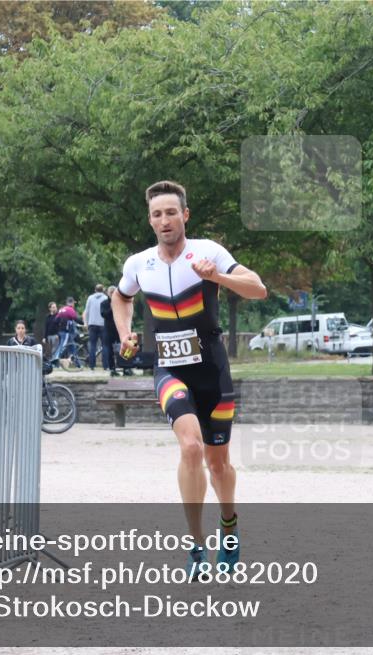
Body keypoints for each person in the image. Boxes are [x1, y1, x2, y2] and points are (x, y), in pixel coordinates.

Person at [112, 180, 266, 577]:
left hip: (213, 371)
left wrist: (219, 276)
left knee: (219, 466)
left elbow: (258, 289)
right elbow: (121, 296)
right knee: (190, 449)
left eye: (170, 212)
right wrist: (124, 331)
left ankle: (228, 526)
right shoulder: (138, 264)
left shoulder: (208, 252)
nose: (164, 220)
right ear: (150, 220)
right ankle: (196, 544)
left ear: (185, 215)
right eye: (156, 214)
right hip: (170, 369)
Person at [83, 285, 109, 371]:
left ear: (95, 290)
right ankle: (105, 365)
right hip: (103, 324)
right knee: (105, 345)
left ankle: (92, 365)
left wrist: (86, 323)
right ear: (103, 290)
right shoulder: (106, 298)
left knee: (92, 345)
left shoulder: (90, 298)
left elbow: (86, 311)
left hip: (92, 324)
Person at [52, 298, 83, 368]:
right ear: (71, 303)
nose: (74, 305)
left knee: (73, 347)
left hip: (62, 331)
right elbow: (76, 318)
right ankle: (54, 361)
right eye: (74, 303)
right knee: (63, 346)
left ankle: (78, 364)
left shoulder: (62, 309)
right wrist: (84, 323)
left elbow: (55, 320)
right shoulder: (70, 309)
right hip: (66, 332)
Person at [100, 286, 119, 376]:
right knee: (109, 349)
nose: (112, 294)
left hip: (119, 328)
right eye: (110, 292)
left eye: (113, 292)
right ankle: (112, 368)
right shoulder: (104, 303)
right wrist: (112, 307)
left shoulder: (120, 302)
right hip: (108, 328)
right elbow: (104, 314)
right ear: (108, 293)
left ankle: (125, 367)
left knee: (121, 348)